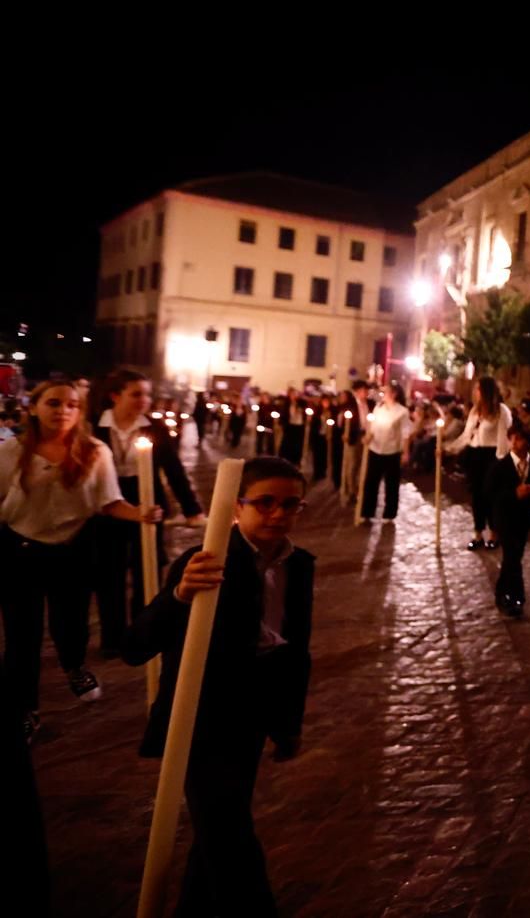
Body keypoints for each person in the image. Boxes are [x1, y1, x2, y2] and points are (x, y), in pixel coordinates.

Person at [124, 456, 315, 917]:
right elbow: (136, 645)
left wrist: (288, 725)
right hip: (200, 719)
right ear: (236, 507)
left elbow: (294, 652)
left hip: (250, 720)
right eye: (264, 503)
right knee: (229, 835)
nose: (277, 514)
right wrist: (180, 596)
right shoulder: (205, 561)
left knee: (217, 832)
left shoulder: (301, 565)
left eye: (290, 505)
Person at [1, 380, 161, 740]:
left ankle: (74, 666)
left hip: (72, 549)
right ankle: (24, 707)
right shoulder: (11, 451)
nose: (63, 410)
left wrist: (141, 513)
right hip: (20, 550)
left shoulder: (94, 451)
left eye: (72, 404)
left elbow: (108, 501)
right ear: (33, 407)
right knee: (21, 635)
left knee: (70, 623)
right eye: (53, 403)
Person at [91, 368, 205, 657]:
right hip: (108, 506)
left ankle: (142, 633)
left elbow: (174, 470)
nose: (145, 400)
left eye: (147, 394)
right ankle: (113, 637)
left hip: (148, 504)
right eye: (137, 394)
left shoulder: (154, 428)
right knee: (110, 574)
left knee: (148, 570)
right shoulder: (95, 427)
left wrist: (192, 509)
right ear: (115, 396)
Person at [446, 378, 513, 550]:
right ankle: (477, 533)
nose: (475, 392)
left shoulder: (501, 411)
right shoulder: (475, 411)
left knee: (491, 496)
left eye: (478, 389)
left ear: (486, 391)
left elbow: (503, 439)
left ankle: (494, 533)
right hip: (476, 455)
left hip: (492, 456)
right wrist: (449, 448)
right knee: (477, 496)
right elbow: (467, 435)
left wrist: (500, 461)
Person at [487, 422, 530, 619]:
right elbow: (492, 495)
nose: (518, 443)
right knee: (512, 557)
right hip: (505, 519)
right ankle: (517, 599)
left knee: (514, 557)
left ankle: (502, 592)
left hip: (523, 520)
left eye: (522, 440)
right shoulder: (500, 467)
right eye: (515, 439)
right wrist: (513, 494)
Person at [361, 382, 411, 523]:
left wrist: (405, 452)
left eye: (386, 392)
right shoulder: (378, 408)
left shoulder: (402, 412)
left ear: (394, 394)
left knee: (391, 484)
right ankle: (367, 513)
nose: (383, 394)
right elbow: (373, 428)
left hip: (392, 452)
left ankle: (389, 514)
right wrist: (368, 437)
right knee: (371, 482)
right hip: (375, 450)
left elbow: (405, 433)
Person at [338, 381, 371, 506]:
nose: (366, 393)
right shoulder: (349, 405)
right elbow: (342, 422)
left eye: (367, 391)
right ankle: (351, 490)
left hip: (367, 437)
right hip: (354, 436)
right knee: (352, 464)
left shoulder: (371, 404)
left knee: (363, 464)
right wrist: (343, 433)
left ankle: (359, 488)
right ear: (357, 392)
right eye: (364, 390)